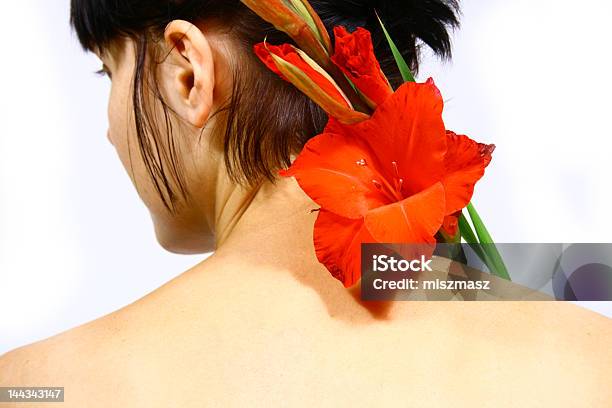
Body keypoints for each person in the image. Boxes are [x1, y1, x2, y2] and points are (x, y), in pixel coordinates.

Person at [1, 1, 610, 406]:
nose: (111, 129)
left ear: (187, 73)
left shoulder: (39, 386)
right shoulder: (589, 361)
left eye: (109, 72)